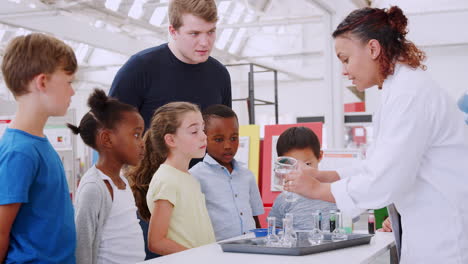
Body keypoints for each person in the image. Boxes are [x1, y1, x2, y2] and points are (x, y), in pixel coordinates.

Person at [284, 6, 468, 264]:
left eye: (345, 59)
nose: (344, 71)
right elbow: (378, 164)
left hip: (444, 239)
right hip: (428, 231)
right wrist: (325, 175)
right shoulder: (399, 90)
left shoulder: (409, 94)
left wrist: (317, 189)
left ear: (372, 49)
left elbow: (385, 179)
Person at [0, 33, 77, 263]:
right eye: (69, 82)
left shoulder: (38, 144)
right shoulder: (19, 151)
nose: (72, 92)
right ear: (42, 82)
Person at [108, 0, 231, 130]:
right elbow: (113, 133)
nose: (205, 43)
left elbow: (223, 135)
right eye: (194, 33)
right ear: (173, 31)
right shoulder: (139, 68)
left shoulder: (220, 75)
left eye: (211, 32)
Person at [127, 102, 215, 255]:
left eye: (203, 129)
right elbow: (156, 242)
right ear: (171, 140)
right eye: (194, 131)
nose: (204, 136)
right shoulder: (166, 180)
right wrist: (199, 258)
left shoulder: (189, 178)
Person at [70, 89, 145, 264]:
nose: (142, 143)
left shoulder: (122, 181)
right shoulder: (94, 187)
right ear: (107, 139)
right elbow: (82, 246)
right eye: (135, 135)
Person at [189, 104, 264, 241]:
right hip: (217, 251)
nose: (228, 146)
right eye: (219, 139)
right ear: (204, 138)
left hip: (252, 247)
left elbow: (255, 217)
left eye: (234, 138)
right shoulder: (195, 176)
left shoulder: (247, 175)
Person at [268, 127, 336, 231]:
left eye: (307, 164)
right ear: (282, 164)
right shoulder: (283, 199)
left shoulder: (335, 193)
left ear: (320, 156)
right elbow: (275, 233)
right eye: (293, 166)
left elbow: (348, 228)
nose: (301, 172)